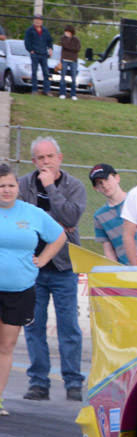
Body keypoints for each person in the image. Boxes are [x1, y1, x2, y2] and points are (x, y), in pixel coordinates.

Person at [17, 137, 87, 401]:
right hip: (31, 266)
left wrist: (51, 189)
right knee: (33, 326)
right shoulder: (22, 184)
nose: (45, 162)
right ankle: (38, 383)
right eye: (40, 158)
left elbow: (70, 218)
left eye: (50, 157)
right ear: (33, 161)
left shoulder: (74, 186)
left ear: (60, 157)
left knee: (69, 327)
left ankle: (73, 383)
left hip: (64, 266)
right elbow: (18, 220)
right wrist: (53, 223)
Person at [0, 163, 67, 416]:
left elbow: (58, 236)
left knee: (6, 346)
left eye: (11, 185)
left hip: (20, 289)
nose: (6, 190)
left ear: (18, 187)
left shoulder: (32, 213)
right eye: (1, 186)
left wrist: (44, 259)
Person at [89, 163, 131, 264]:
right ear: (96, 188)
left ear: (117, 178)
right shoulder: (99, 216)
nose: (104, 185)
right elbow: (108, 250)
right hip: (126, 270)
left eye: (107, 179)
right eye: (99, 183)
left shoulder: (136, 199)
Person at [23, 14, 53, 96]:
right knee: (34, 73)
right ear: (33, 20)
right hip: (35, 54)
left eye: (39, 20)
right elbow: (27, 42)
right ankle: (34, 90)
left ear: (42, 21)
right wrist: (31, 50)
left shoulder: (45, 30)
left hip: (44, 55)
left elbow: (50, 40)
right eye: (36, 19)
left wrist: (50, 48)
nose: (37, 21)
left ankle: (46, 90)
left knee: (46, 73)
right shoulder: (30, 30)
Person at [57, 25, 81, 100]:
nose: (66, 33)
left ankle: (73, 94)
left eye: (68, 32)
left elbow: (77, 48)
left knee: (73, 78)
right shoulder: (63, 38)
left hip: (73, 60)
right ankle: (62, 93)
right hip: (64, 59)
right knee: (62, 77)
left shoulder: (76, 39)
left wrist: (69, 47)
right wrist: (68, 41)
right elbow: (65, 45)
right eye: (65, 31)